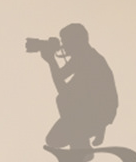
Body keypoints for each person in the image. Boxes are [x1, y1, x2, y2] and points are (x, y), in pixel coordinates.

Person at [24, 23, 120, 154]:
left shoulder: (90, 61)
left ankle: (82, 148)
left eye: (65, 41)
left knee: (62, 100)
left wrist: (51, 61)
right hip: (93, 110)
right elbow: (61, 76)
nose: (63, 45)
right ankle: (85, 139)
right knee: (53, 139)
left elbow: (64, 92)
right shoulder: (84, 57)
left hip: (98, 111)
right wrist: (50, 60)